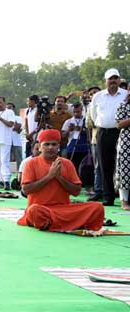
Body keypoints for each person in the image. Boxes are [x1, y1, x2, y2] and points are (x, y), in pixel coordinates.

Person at [18, 129, 104, 231]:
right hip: (42, 209)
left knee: (97, 207)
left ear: (58, 147)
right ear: (40, 147)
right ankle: (72, 223)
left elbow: (76, 191)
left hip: (63, 210)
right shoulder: (31, 163)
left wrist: (59, 177)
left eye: (54, 144)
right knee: (34, 211)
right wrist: (49, 176)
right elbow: (26, 190)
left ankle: (53, 224)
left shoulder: (67, 163)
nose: (50, 147)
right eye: (47, 144)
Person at [88, 69, 128, 206]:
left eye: (116, 78)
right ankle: (108, 196)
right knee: (105, 165)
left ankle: (125, 197)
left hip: (124, 133)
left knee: (124, 164)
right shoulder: (98, 96)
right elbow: (93, 115)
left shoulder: (126, 94)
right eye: (110, 79)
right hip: (103, 132)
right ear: (105, 81)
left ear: (119, 80)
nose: (113, 81)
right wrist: (103, 124)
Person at [61, 103, 90, 174]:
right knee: (73, 167)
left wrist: (79, 128)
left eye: (78, 112)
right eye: (74, 112)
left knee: (84, 167)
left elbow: (90, 132)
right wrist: (68, 130)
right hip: (72, 147)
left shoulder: (86, 120)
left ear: (82, 110)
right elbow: (63, 136)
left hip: (84, 147)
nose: (76, 114)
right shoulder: (68, 121)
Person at [115, 92, 130, 210]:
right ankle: (124, 201)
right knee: (125, 170)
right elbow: (119, 124)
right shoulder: (123, 106)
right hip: (127, 142)